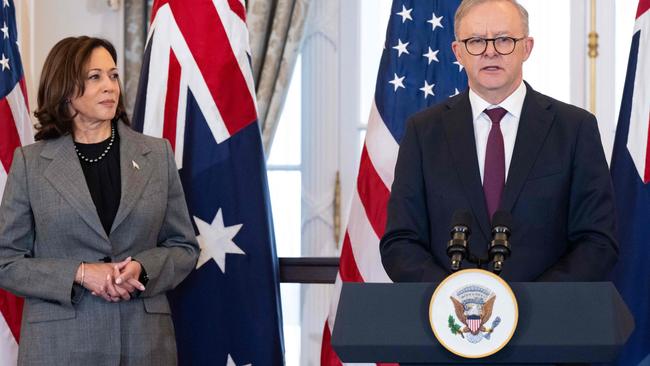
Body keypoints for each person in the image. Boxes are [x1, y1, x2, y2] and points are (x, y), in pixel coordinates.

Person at [380, 0, 617, 283]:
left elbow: (597, 240)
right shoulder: (423, 132)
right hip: (450, 319)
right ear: (458, 52)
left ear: (527, 47)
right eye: (476, 41)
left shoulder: (575, 129)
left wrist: (533, 303)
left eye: (504, 40)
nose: (490, 51)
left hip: (547, 320)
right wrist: (452, 297)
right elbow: (400, 240)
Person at [0, 36, 199, 365]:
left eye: (113, 75)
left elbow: (184, 247)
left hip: (143, 346)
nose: (109, 86)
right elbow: (6, 263)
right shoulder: (30, 163)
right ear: (65, 89)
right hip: (59, 348)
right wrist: (79, 273)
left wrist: (142, 269)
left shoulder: (156, 154)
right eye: (95, 77)